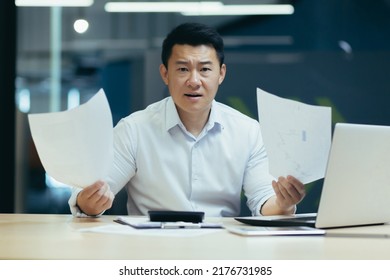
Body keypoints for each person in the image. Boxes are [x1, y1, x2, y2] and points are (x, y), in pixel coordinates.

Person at [68, 22, 305, 217]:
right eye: (182, 69)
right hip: (151, 250)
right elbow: (91, 193)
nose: (194, 81)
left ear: (221, 73)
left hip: (221, 251)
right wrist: (90, 202)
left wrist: (283, 204)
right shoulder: (135, 129)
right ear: (165, 73)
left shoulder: (248, 131)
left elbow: (264, 201)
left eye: (204, 69)